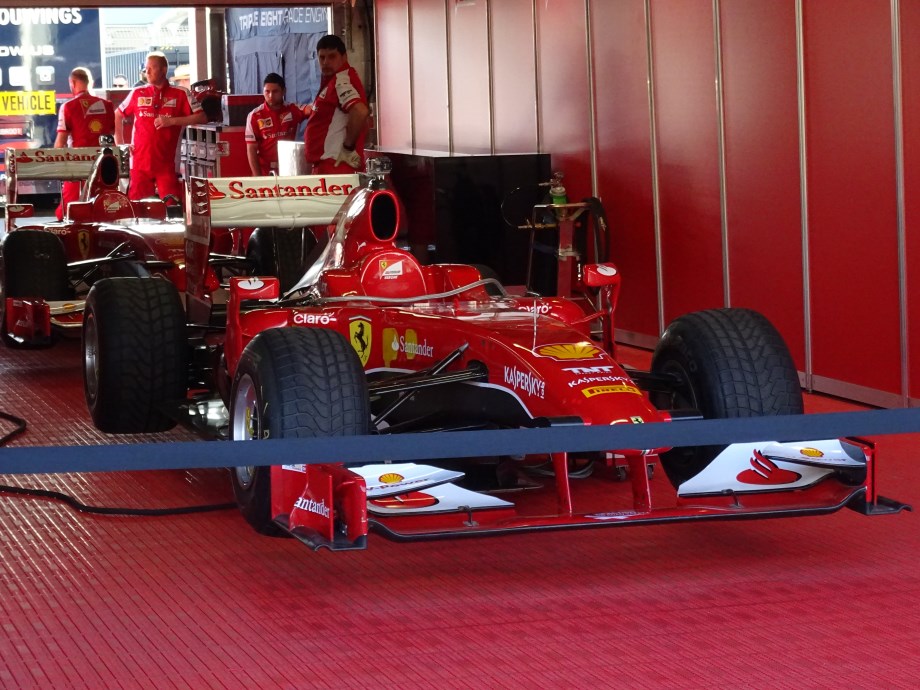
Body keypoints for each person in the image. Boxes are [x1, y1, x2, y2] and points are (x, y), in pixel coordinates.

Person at [115, 51, 207, 202]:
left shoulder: (181, 93)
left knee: (172, 206)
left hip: (167, 164)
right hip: (139, 163)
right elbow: (117, 115)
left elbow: (202, 117)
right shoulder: (138, 92)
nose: (147, 71)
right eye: (146, 68)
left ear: (164, 70)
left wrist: (171, 121)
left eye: (152, 68)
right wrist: (120, 144)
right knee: (138, 208)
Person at [53, 66, 115, 220]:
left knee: (67, 212)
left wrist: (57, 167)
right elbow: (112, 134)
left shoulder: (68, 107)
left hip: (78, 165)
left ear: (72, 83)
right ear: (90, 82)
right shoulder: (107, 105)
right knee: (104, 210)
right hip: (103, 165)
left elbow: (60, 143)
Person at [304, 34, 370, 174]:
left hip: (335, 166)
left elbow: (360, 111)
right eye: (322, 57)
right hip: (331, 165)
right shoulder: (333, 80)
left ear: (344, 57)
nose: (326, 62)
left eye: (332, 57)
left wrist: (347, 148)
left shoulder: (341, 80)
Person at [245, 73, 309, 176]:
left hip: (289, 170)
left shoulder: (292, 109)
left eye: (275, 91)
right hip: (265, 172)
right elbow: (251, 149)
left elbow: (311, 110)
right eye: (267, 91)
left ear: (284, 91)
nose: (271, 96)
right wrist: (258, 178)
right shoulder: (254, 116)